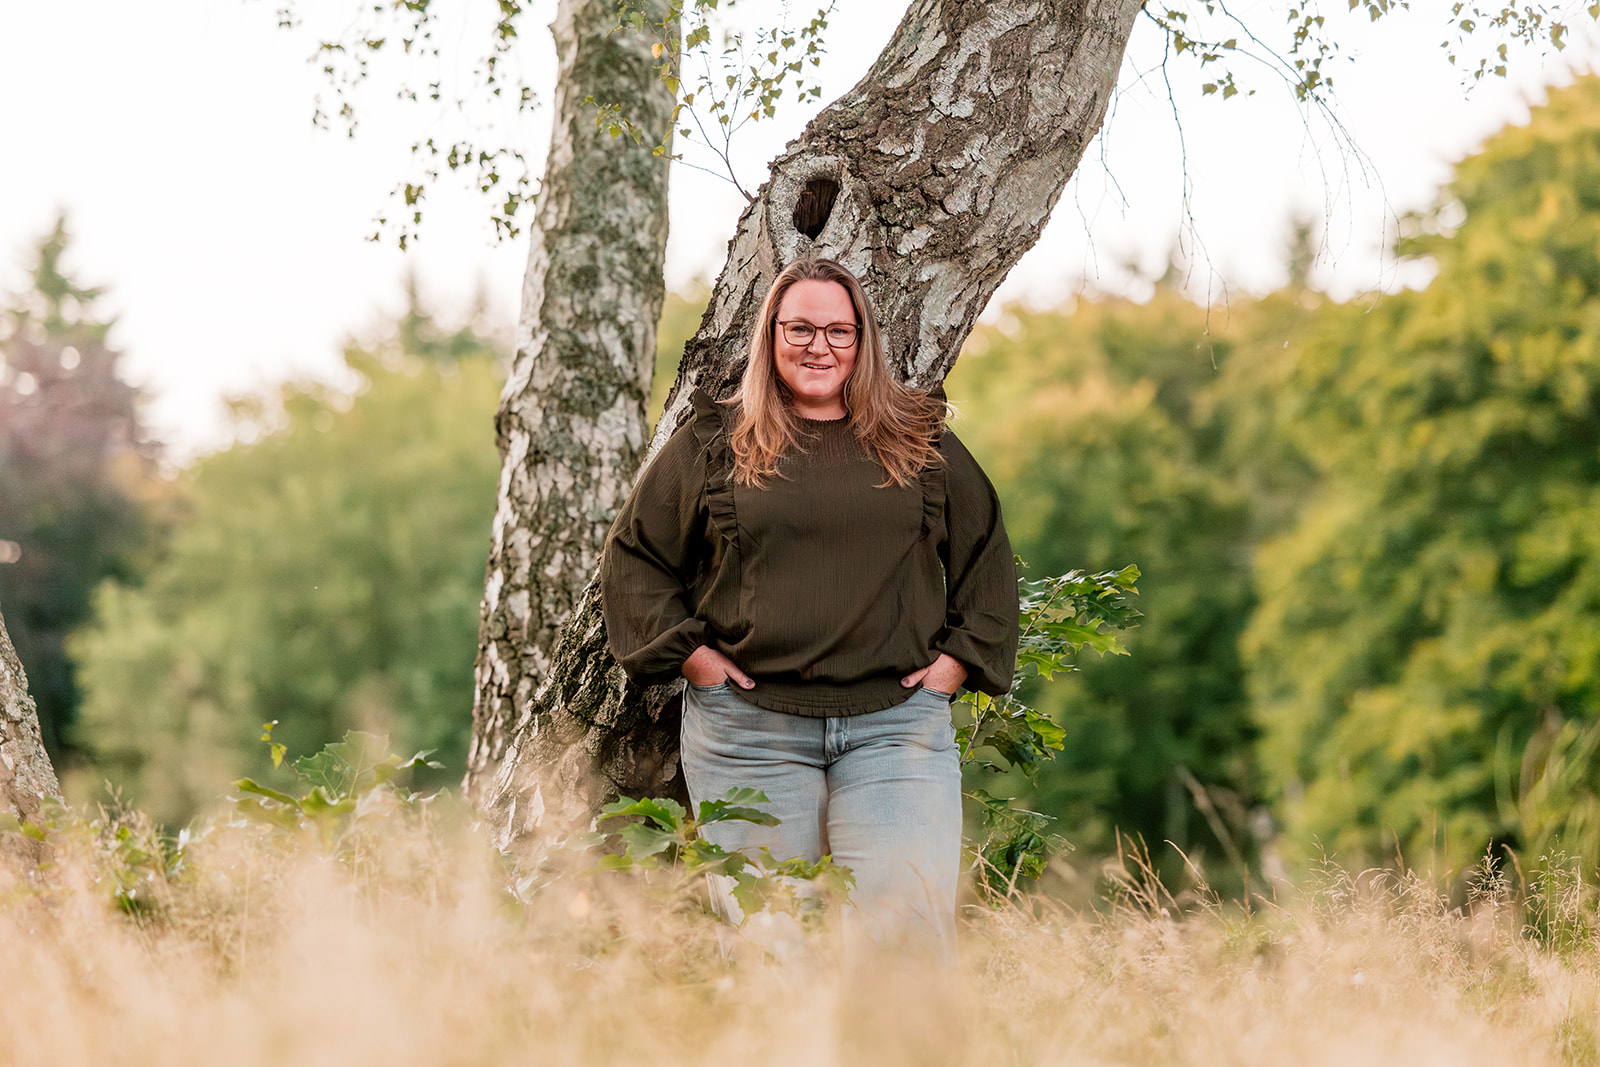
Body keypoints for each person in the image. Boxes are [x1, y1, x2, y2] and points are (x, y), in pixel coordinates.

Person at [600, 256, 1018, 960]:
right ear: (770, 336)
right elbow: (635, 554)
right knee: (774, 953)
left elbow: (987, 555)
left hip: (896, 735)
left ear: (862, 343)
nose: (818, 347)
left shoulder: (918, 440)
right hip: (748, 737)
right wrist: (694, 660)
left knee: (903, 950)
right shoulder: (715, 440)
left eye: (838, 331)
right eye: (799, 328)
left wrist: (956, 664)